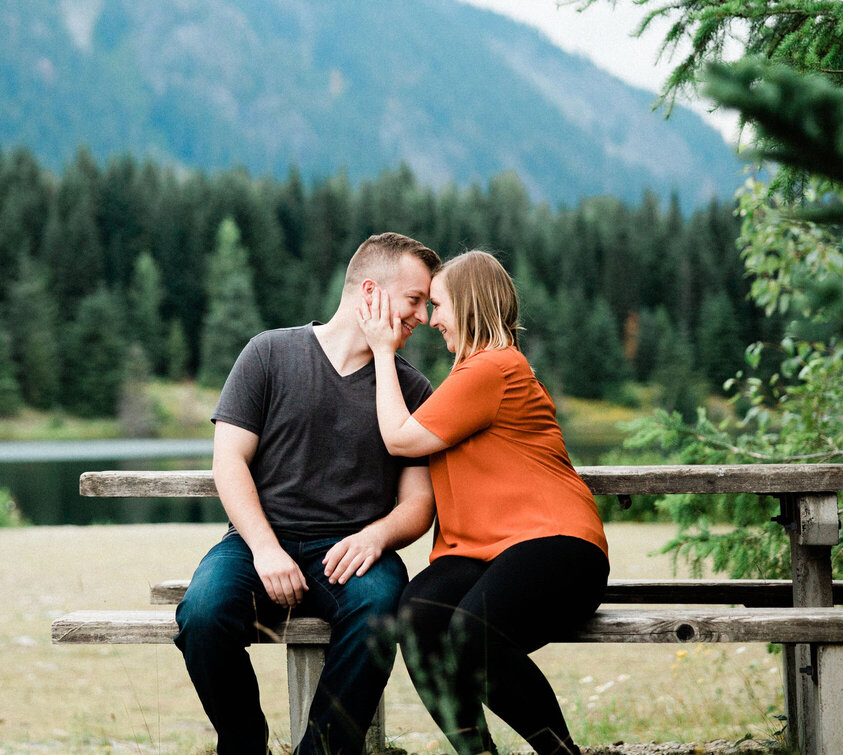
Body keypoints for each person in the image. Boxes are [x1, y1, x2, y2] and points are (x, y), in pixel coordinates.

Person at [175, 232, 442, 755]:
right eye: (416, 301)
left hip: (351, 552)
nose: (425, 318)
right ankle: (245, 745)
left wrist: (377, 537)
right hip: (258, 542)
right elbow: (229, 461)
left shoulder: (411, 389)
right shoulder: (269, 353)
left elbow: (419, 504)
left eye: (429, 306)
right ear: (371, 291)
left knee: (381, 611)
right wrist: (266, 548)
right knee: (203, 615)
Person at [357, 249, 608, 755]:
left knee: (472, 634)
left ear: (469, 306)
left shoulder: (494, 368)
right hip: (487, 552)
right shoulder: (469, 377)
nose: (431, 320)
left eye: (440, 304)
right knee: (419, 617)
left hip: (558, 545)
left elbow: (402, 439)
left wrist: (383, 352)